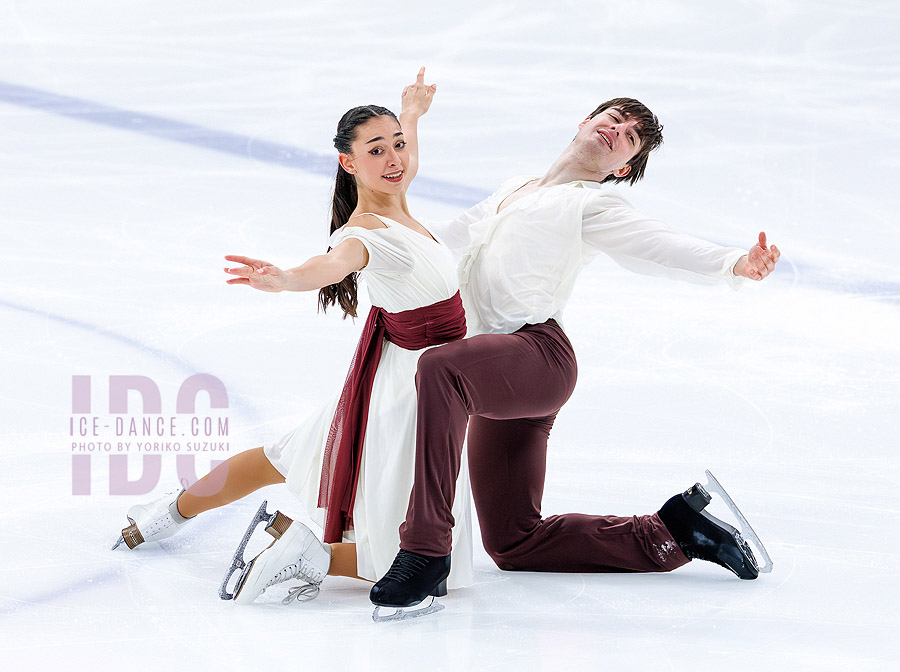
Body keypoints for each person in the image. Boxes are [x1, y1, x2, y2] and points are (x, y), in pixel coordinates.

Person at [370, 92, 782, 612]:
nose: (617, 129)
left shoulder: (593, 203)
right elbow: (437, 243)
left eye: (629, 136)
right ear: (586, 121)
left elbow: (659, 244)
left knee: (439, 368)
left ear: (622, 165)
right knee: (513, 541)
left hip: (535, 356)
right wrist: (356, 252)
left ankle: (426, 550)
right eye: (614, 118)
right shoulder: (516, 188)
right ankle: (674, 531)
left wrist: (734, 264)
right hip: (491, 369)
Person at [112, 69, 474, 605]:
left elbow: (408, 163)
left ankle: (176, 513)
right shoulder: (362, 232)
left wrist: (412, 115)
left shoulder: (396, 194)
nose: (394, 159)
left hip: (414, 374)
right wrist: (284, 279)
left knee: (281, 455)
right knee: (433, 551)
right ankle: (253, 536)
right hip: (407, 391)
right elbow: (329, 265)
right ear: (348, 163)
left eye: (396, 144)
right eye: (376, 150)